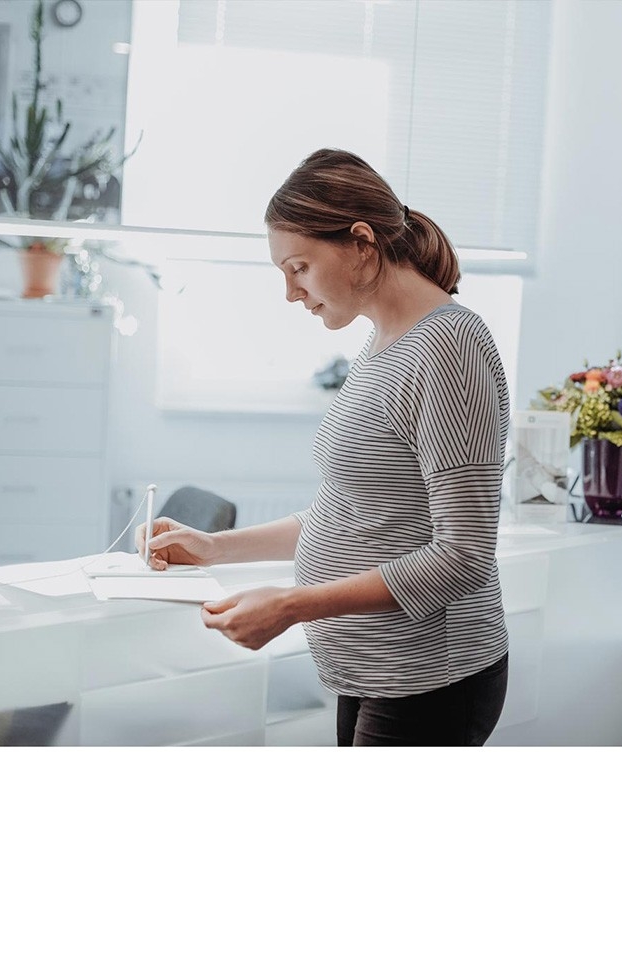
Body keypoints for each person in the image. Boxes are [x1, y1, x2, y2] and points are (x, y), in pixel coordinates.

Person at [136, 148, 511, 747]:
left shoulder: (449, 349)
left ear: (362, 242)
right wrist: (214, 548)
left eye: (300, 267)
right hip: (373, 667)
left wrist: (292, 605)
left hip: (427, 677)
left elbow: (463, 556)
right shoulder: (385, 343)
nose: (291, 293)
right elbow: (358, 512)